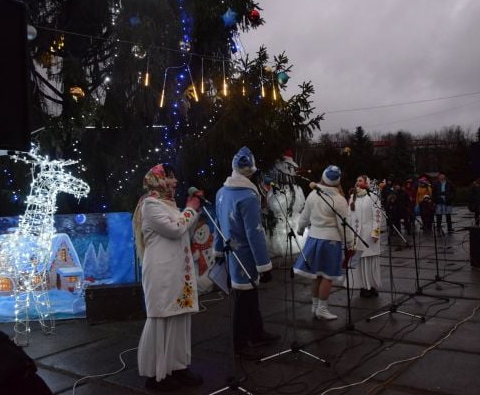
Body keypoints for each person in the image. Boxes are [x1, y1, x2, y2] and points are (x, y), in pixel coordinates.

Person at [132, 163, 203, 391]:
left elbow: (184, 229)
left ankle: (178, 366)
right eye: (170, 177)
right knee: (162, 318)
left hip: (177, 269)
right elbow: (175, 228)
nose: (175, 182)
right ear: (158, 180)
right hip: (161, 272)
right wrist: (191, 209)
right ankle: (157, 374)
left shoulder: (169, 204)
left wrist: (189, 212)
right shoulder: (150, 205)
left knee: (180, 316)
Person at [213, 147, 280, 357]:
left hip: (231, 253)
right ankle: (240, 343)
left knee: (247, 296)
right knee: (243, 299)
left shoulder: (221, 192)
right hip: (245, 255)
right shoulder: (249, 196)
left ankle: (256, 332)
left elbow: (218, 225)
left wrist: (217, 251)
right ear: (251, 170)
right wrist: (264, 265)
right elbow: (255, 233)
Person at [294, 165, 353, 320]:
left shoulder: (313, 195)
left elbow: (304, 216)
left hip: (314, 239)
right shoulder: (339, 200)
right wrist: (350, 243)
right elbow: (344, 224)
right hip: (330, 241)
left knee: (316, 275)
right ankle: (322, 308)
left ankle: (315, 306)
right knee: (327, 276)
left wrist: (300, 230)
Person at [348, 175, 382, 298]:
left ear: (366, 183)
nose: (358, 182)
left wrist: (375, 232)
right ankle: (364, 287)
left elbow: (377, 216)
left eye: (360, 180)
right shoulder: (353, 197)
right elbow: (349, 216)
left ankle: (372, 286)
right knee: (361, 262)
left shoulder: (373, 197)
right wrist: (349, 234)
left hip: (370, 236)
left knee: (371, 262)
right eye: (356, 180)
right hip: (357, 236)